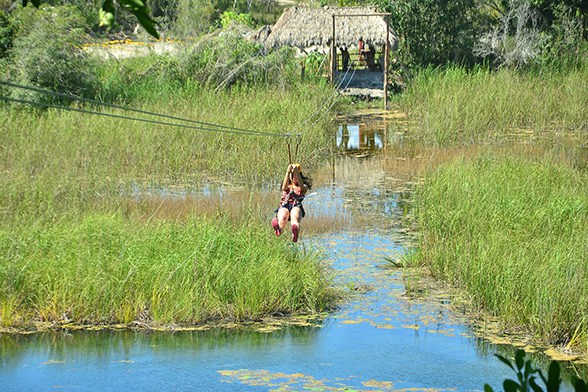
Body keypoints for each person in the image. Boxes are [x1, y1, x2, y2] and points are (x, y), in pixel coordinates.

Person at [271, 163, 312, 243]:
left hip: (296, 205)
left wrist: (296, 171)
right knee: (283, 216)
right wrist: (288, 172)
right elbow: (283, 188)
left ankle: (295, 231)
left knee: (295, 216)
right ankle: (278, 229)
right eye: (293, 175)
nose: (294, 177)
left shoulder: (303, 185)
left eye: (296, 175)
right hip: (285, 205)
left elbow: (303, 188)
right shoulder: (287, 185)